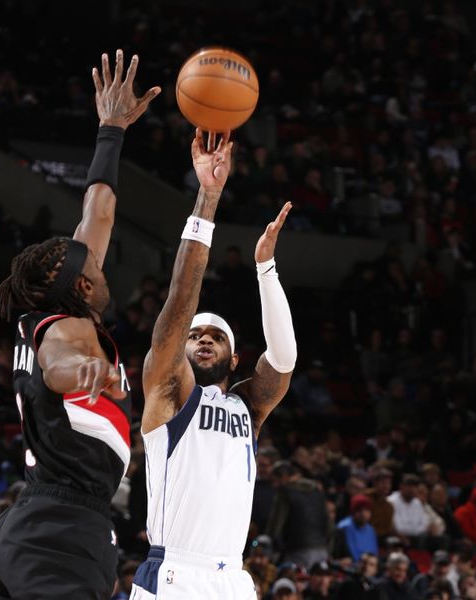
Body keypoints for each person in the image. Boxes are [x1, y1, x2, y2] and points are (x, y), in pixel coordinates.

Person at [0, 49, 159, 600]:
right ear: (81, 285)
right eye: (94, 266)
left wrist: (111, 130)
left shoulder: (53, 311)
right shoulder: (66, 328)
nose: (99, 261)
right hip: (60, 529)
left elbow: (98, 210)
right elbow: (58, 364)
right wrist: (82, 372)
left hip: (31, 523)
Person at [130, 127, 297, 599]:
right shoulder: (167, 392)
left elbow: (283, 357)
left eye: (215, 335)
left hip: (233, 579)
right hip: (174, 573)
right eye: (195, 335)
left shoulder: (249, 407)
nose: (203, 339)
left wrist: (266, 268)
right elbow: (181, 299)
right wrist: (207, 199)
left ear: (234, 357)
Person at [335, 494, 378, 561]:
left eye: (366, 510)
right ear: (353, 512)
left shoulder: (371, 530)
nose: (363, 514)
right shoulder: (343, 528)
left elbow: (374, 554)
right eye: (359, 510)